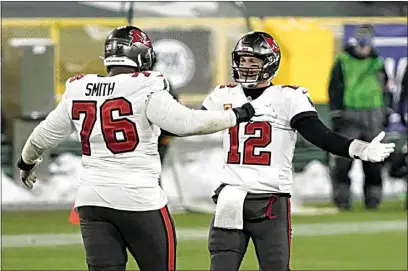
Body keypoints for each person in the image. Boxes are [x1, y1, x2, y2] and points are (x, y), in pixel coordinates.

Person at [16, 26, 276, 271]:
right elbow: (186, 123)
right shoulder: (145, 85)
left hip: (92, 199)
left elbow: (42, 136)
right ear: (141, 55)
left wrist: (26, 163)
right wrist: (236, 115)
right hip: (138, 198)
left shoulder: (79, 88)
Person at [201, 31, 395, 271]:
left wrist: (359, 149)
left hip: (270, 199)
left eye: (254, 61)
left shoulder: (287, 97)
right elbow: (189, 123)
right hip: (231, 197)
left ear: (269, 63)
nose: (246, 66)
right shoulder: (224, 94)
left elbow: (319, 135)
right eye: (242, 60)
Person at [328, 24, 393, 210]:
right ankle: (342, 199)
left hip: (374, 115)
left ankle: (373, 200)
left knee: (374, 163)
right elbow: (335, 88)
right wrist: (337, 113)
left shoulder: (377, 62)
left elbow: (385, 88)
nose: (364, 49)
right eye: (361, 45)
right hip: (350, 115)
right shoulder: (343, 61)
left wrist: (386, 111)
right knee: (343, 160)